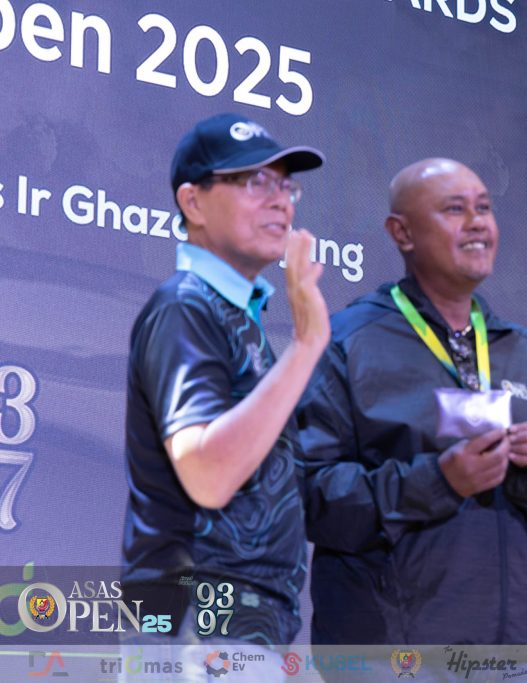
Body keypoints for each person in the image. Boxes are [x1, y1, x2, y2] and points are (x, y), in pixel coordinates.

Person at [299, 158, 527, 647]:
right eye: (455, 209)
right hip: (388, 654)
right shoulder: (348, 344)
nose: (477, 222)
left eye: (484, 208)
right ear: (402, 233)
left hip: (507, 656)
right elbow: (307, 497)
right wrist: (437, 482)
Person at [121, 112, 328, 658]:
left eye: (285, 186)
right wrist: (307, 345)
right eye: (256, 182)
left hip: (238, 629)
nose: (281, 202)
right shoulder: (185, 305)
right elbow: (208, 475)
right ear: (193, 203)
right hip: (195, 628)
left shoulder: (236, 315)